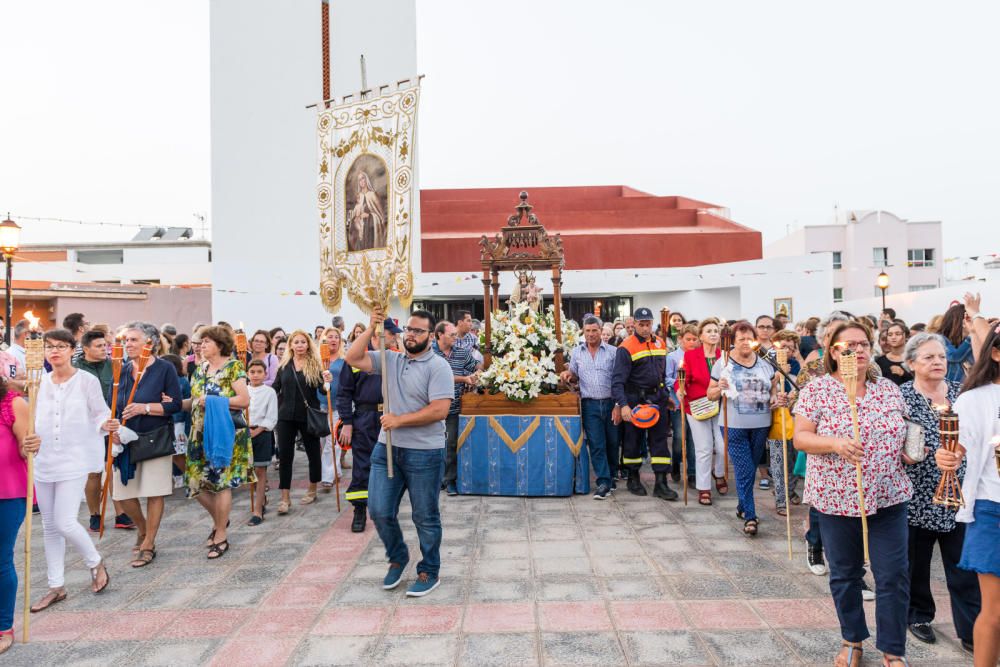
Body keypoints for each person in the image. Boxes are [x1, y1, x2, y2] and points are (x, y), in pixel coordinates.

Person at [794, 320, 913, 667]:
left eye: (863, 344)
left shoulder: (888, 389)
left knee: (892, 573)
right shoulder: (817, 391)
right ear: (834, 352)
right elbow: (801, 438)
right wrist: (834, 443)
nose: (858, 351)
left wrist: (909, 451)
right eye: (849, 346)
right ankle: (852, 639)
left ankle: (893, 649)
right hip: (836, 498)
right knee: (845, 573)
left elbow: (905, 434)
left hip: (888, 495)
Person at [345, 306, 453, 597]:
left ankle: (429, 569)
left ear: (431, 335)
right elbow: (352, 357)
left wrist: (399, 420)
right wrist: (370, 328)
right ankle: (398, 556)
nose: (412, 334)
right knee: (379, 509)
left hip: (425, 452)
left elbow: (440, 410)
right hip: (388, 448)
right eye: (409, 329)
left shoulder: (438, 366)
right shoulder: (391, 359)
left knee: (425, 515)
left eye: (419, 330)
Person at [899, 332, 980, 650]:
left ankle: (972, 630)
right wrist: (924, 451)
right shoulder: (902, 396)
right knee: (916, 564)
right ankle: (918, 615)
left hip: (958, 494)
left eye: (942, 357)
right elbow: (900, 441)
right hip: (918, 495)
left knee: (963, 567)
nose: (937, 362)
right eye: (929, 357)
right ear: (911, 364)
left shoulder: (963, 394)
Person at [30, 329, 113, 612]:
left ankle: (95, 561)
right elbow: (32, 416)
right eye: (49, 347)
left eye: (61, 346)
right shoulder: (38, 382)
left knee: (65, 521)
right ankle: (56, 585)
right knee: (49, 526)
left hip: (74, 459)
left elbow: (100, 412)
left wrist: (106, 424)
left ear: (71, 350)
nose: (54, 351)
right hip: (43, 460)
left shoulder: (86, 381)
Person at [938, 323, 1000, 667]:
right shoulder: (975, 399)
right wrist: (945, 455)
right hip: (993, 507)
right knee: (994, 610)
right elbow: (955, 448)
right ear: (995, 353)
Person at [112, 322, 182, 569]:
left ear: (149, 344)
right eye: (126, 340)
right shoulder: (120, 368)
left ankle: (149, 542)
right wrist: (114, 429)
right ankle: (142, 529)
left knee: (154, 491)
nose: (127, 344)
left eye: (133, 339)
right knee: (122, 493)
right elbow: (113, 404)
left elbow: (174, 404)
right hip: (126, 438)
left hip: (154, 437)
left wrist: (146, 407)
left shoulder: (164, 369)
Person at [183, 325, 251, 558]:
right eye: (201, 342)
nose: (201, 346)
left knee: (221, 482)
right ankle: (221, 519)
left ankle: (220, 533)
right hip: (199, 433)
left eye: (207, 342)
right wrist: (171, 403)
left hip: (225, 433)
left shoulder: (233, 367)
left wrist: (212, 399)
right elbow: (194, 400)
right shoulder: (199, 369)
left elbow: (243, 400)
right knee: (194, 482)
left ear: (220, 345)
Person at [707, 320, 779, 535]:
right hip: (733, 425)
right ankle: (750, 516)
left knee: (751, 466)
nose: (746, 343)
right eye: (741, 339)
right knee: (744, 469)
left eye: (750, 338)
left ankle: (741, 505)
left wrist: (775, 397)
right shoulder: (724, 363)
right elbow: (709, 394)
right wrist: (719, 388)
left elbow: (774, 386)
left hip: (761, 424)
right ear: (733, 341)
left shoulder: (766, 362)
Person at [611, 307, 678, 500]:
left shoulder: (660, 343)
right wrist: (623, 405)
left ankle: (661, 483)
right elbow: (617, 381)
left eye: (648, 323)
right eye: (641, 324)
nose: (645, 327)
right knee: (632, 442)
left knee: (660, 442)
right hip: (634, 401)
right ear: (634, 325)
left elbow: (662, 374)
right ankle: (633, 478)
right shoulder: (626, 347)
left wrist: (667, 397)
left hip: (658, 400)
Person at [74, 330, 135, 532]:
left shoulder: (116, 365)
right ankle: (94, 514)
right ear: (86, 349)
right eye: (99, 346)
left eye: (105, 346)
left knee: (112, 467)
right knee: (93, 473)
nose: (104, 349)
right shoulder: (75, 369)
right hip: (87, 427)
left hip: (112, 423)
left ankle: (120, 513)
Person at [0, 381, 39, 653]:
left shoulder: (13, 403)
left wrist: (32, 444)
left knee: (0, 559)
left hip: (7, 492)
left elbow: (27, 449)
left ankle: (3, 627)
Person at [561, 316, 618, 499]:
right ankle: (603, 482)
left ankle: (611, 475)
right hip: (589, 404)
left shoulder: (613, 352)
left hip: (610, 403)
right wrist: (569, 374)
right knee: (596, 444)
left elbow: (618, 381)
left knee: (613, 443)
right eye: (588, 331)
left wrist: (618, 405)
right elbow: (575, 376)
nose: (591, 334)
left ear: (601, 331)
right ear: (583, 332)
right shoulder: (577, 352)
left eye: (595, 330)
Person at [337, 328, 385, 533]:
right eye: (388, 335)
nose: (393, 339)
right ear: (374, 337)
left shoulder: (393, 358)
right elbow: (344, 393)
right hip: (364, 418)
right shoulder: (356, 360)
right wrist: (347, 422)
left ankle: (383, 507)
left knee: (387, 464)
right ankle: (359, 510)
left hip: (388, 417)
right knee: (363, 464)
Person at [272, 330, 325, 513]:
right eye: (297, 342)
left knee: (313, 453)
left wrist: (328, 382)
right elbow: (275, 389)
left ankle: (312, 488)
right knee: (285, 456)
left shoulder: (315, 365)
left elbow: (324, 391)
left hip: (308, 415)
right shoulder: (284, 366)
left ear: (308, 345)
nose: (300, 345)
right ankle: (285, 497)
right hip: (285, 416)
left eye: (303, 342)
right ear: (291, 345)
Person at [679, 320, 726, 505]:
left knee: (723, 446)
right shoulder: (691, 356)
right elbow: (683, 378)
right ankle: (704, 487)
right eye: (709, 331)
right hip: (697, 406)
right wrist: (680, 389)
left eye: (716, 331)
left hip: (721, 405)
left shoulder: (724, 356)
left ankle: (719, 473)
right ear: (701, 336)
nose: (713, 334)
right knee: (704, 447)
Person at [433, 321, 478, 496]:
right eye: (451, 335)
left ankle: (449, 480)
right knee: (432, 445)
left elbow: (476, 366)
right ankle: (435, 480)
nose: (455, 338)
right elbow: (437, 377)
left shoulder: (461, 352)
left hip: (454, 407)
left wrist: (475, 375)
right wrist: (463, 379)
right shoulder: (429, 353)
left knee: (451, 444)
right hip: (432, 407)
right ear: (439, 335)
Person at [767, 330, 802, 515]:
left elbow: (802, 384)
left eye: (791, 347)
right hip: (777, 417)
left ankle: (789, 490)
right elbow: (767, 387)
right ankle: (781, 500)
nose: (787, 350)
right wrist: (778, 375)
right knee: (779, 460)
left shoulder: (796, 364)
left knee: (796, 459)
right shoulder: (766, 363)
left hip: (795, 417)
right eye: (783, 346)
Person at [664, 324, 698, 485]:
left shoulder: (699, 356)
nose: (691, 342)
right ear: (680, 339)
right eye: (688, 339)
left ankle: (692, 473)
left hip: (696, 404)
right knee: (679, 437)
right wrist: (681, 382)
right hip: (678, 404)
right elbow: (666, 377)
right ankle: (676, 463)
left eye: (694, 339)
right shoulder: (672, 357)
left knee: (693, 439)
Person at [247, 359, 278, 526]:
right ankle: (260, 499)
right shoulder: (243, 390)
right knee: (249, 472)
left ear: (265, 374)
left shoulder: (269, 392)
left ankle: (257, 511)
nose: (256, 375)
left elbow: (271, 416)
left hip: (262, 433)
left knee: (260, 471)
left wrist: (257, 431)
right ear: (247, 374)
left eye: (259, 372)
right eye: (252, 372)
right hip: (245, 433)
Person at [319, 327, 346, 491]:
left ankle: (328, 476)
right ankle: (336, 470)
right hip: (321, 404)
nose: (333, 340)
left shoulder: (344, 360)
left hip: (338, 405)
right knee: (324, 442)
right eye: (330, 337)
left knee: (332, 441)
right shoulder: (318, 359)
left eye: (336, 337)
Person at [876, 321, 913, 386]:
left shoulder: (913, 359)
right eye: (890, 335)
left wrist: (903, 374)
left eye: (898, 334)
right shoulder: (880, 361)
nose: (893, 337)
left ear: (906, 336)